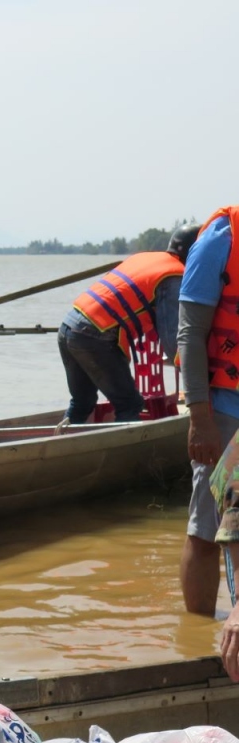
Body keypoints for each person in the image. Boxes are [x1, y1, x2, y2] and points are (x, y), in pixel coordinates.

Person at [56, 224, 199, 425]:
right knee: (130, 404)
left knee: (82, 401)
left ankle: (60, 446)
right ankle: (122, 453)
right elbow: (174, 339)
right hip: (94, 335)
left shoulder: (144, 258)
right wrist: (199, 381)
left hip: (67, 327)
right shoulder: (174, 276)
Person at [178, 207, 239, 619]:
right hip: (223, 410)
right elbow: (190, 333)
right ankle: (199, 637)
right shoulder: (221, 237)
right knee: (208, 527)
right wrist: (200, 420)